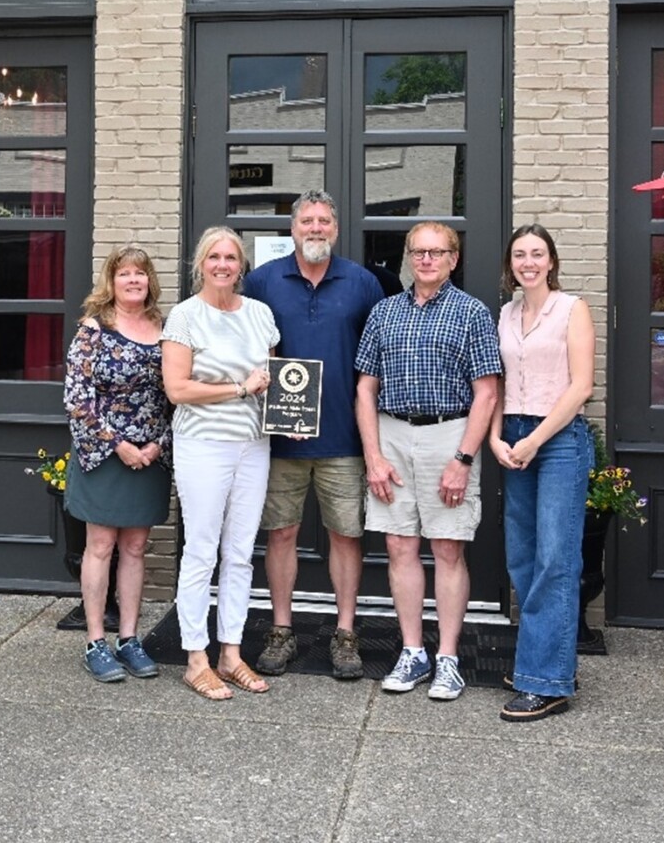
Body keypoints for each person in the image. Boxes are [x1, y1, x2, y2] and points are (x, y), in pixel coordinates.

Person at [354, 221, 501, 701]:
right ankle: (413, 651)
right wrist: (373, 455)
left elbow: (487, 393)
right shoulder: (384, 312)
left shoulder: (472, 313)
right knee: (399, 546)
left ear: (453, 259)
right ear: (407, 257)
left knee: (447, 549)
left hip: (449, 435)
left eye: (437, 252)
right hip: (392, 435)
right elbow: (364, 388)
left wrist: (463, 459)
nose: (427, 260)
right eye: (418, 251)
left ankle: (449, 658)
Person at [242, 191, 385, 680]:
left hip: (344, 438)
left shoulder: (363, 283)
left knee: (346, 535)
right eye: (308, 220)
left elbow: (377, 360)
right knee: (280, 533)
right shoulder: (261, 282)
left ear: (336, 229)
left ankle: (346, 633)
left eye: (325, 220)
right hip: (280, 438)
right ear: (293, 228)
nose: (316, 228)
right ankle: (281, 630)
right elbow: (243, 348)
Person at [161, 225, 279, 700]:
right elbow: (178, 389)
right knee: (201, 551)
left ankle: (230, 654)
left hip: (253, 445)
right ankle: (195, 658)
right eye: (215, 257)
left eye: (231, 257)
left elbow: (271, 380)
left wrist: (289, 413)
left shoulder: (260, 314)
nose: (223, 265)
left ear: (241, 265)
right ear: (201, 264)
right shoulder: (185, 316)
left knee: (240, 552)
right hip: (203, 445)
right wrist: (238, 389)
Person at [489, 223, 595, 722]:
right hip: (513, 435)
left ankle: (547, 682)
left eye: (537, 254)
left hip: (559, 441)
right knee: (523, 558)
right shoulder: (506, 314)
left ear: (551, 261)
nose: (528, 262)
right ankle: (544, 660)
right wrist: (495, 436)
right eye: (519, 255)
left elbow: (581, 388)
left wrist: (534, 440)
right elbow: (498, 382)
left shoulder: (573, 310)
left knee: (556, 558)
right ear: (510, 265)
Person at [62, 245, 173, 684]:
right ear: (111, 281)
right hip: (104, 455)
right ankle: (96, 642)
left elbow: (174, 396)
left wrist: (158, 445)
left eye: (140, 274)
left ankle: (129, 639)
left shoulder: (165, 328)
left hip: (150, 456)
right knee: (101, 546)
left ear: (149, 281)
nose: (133, 280)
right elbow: (77, 400)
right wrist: (118, 443)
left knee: (134, 547)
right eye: (124, 274)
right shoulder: (93, 330)